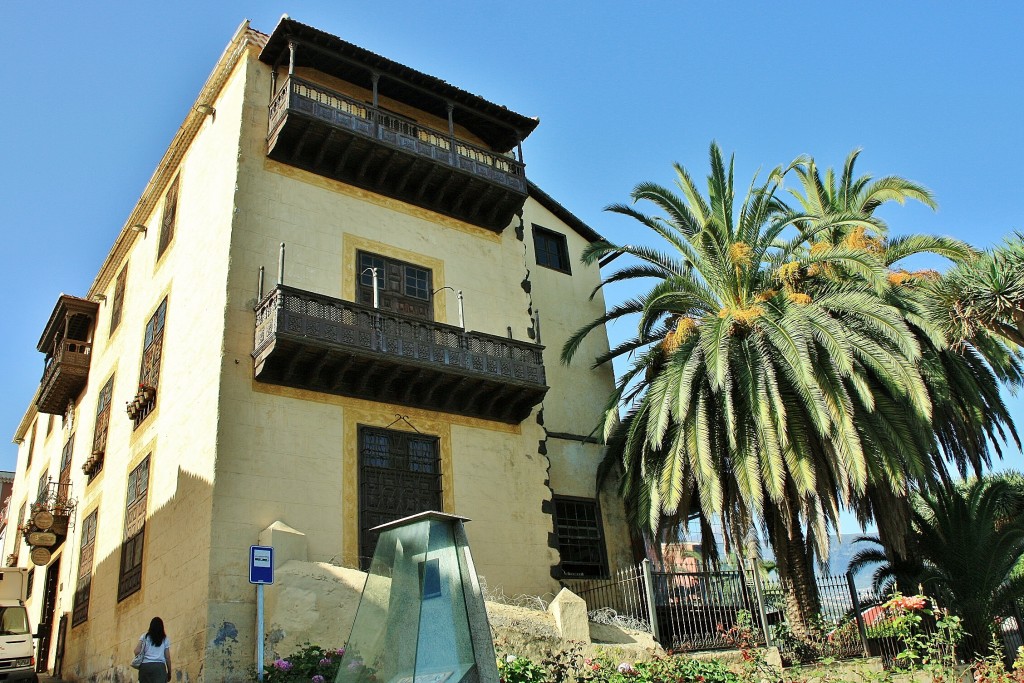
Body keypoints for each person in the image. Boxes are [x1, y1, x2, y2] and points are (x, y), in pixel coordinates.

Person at [134, 617, 172, 683]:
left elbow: (136, 651)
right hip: (159, 668)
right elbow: (167, 657)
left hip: (145, 667)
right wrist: (169, 672)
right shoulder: (165, 639)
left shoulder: (144, 636)